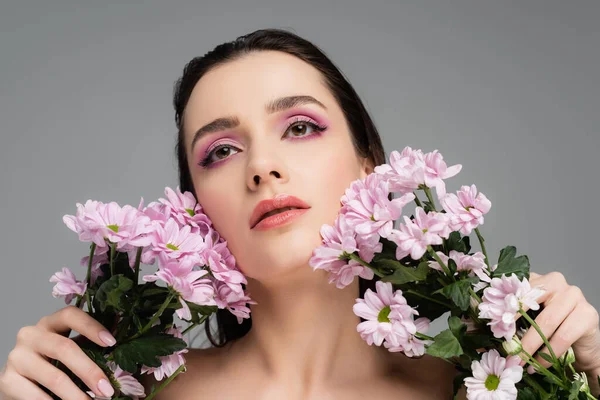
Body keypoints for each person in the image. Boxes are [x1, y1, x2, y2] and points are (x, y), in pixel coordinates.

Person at [1, 28, 599, 400]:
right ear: (194, 213)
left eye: (301, 127)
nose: (262, 166)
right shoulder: (122, 393)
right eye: (221, 151)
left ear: (371, 168)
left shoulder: (493, 386)